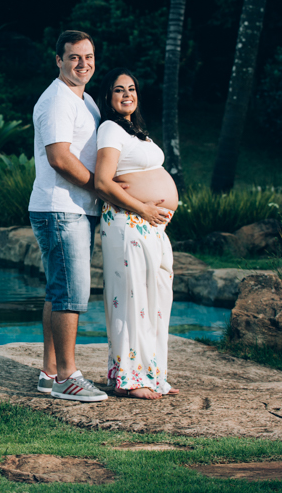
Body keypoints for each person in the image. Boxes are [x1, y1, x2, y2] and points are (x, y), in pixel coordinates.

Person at [28, 30, 107, 402]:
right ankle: (67, 377)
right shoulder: (58, 99)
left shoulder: (85, 100)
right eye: (74, 57)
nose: (83, 64)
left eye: (88, 57)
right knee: (70, 294)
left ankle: (49, 372)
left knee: (58, 291)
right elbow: (59, 158)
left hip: (72, 208)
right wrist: (101, 189)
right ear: (59, 60)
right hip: (61, 208)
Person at [93, 69, 180, 399]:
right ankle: (128, 378)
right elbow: (103, 182)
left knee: (156, 300)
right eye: (119, 90)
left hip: (151, 225)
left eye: (131, 89)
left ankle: (153, 375)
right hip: (128, 222)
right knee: (131, 300)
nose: (127, 94)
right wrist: (143, 208)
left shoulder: (136, 131)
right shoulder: (110, 129)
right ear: (108, 97)